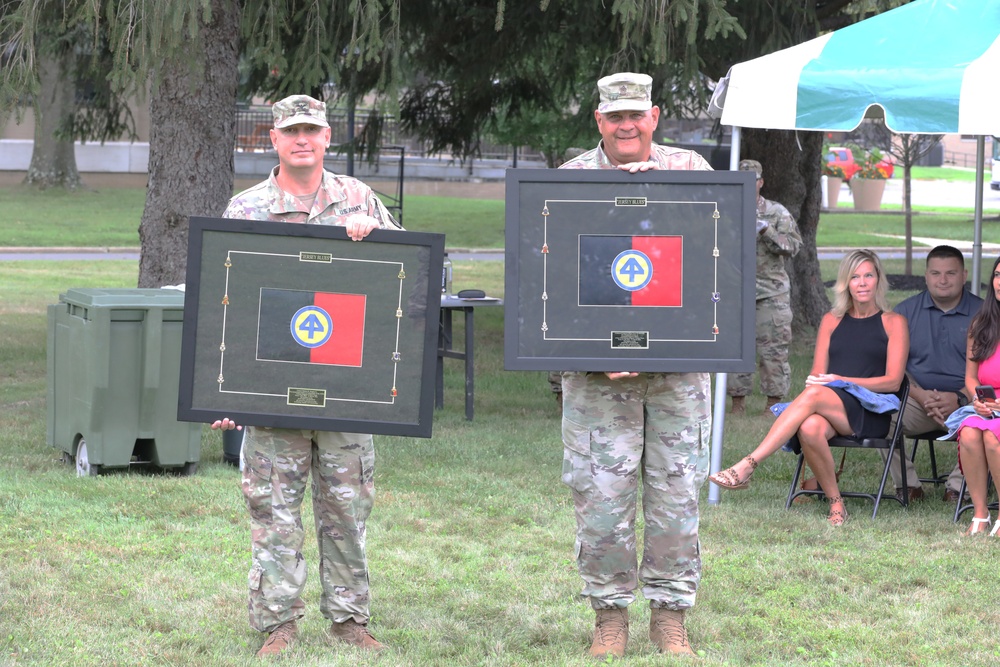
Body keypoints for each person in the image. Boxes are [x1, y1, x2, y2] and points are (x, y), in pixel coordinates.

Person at [211, 95, 401, 658]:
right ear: (273, 138)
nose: (302, 139)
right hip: (272, 391)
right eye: (291, 130)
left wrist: (378, 233)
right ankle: (278, 624)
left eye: (311, 130)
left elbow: (401, 282)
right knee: (273, 511)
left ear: (327, 137)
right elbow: (228, 308)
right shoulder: (245, 211)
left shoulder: (359, 199)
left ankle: (349, 620)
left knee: (346, 508)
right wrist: (221, 390)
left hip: (344, 390)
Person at [557, 72, 712, 659]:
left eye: (637, 115)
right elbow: (554, 281)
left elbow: (716, 260)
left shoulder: (692, 172)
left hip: (677, 374)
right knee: (602, 499)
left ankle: (670, 615)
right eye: (614, 116)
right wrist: (595, 349)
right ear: (599, 120)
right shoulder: (570, 179)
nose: (627, 125)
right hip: (599, 379)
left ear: (655, 117)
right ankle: (610, 617)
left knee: (676, 497)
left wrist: (670, 196)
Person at [710, 249, 909, 527]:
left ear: (878, 280)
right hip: (830, 407)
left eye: (868, 276)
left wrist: (841, 381)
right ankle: (836, 504)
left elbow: (893, 382)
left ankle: (748, 464)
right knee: (809, 427)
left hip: (869, 411)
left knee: (815, 393)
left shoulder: (893, 322)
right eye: (855, 277)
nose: (862, 283)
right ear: (845, 283)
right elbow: (817, 375)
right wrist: (827, 382)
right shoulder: (832, 320)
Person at [888, 245, 980, 503]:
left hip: (969, 400)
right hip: (918, 400)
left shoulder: (985, 314)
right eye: (936, 273)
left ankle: (958, 486)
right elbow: (892, 366)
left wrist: (960, 398)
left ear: (964, 275)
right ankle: (907, 485)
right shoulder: (904, 313)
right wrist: (920, 395)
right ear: (926, 276)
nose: (943, 280)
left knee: (991, 424)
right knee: (880, 417)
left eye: (951, 273)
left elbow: (991, 371)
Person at [727, 159, 802, 415]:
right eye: (743, 180)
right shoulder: (725, 209)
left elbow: (793, 247)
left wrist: (767, 231)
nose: (749, 185)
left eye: (753, 181)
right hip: (736, 290)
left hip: (772, 292)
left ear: (761, 182)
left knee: (774, 349)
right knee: (736, 348)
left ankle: (773, 403)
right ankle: (737, 403)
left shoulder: (777, 212)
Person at [946, 255, 1000, 535]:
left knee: (992, 436)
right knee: (968, 432)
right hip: (986, 404)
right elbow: (970, 377)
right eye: (998, 275)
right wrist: (976, 399)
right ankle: (980, 513)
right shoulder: (981, 324)